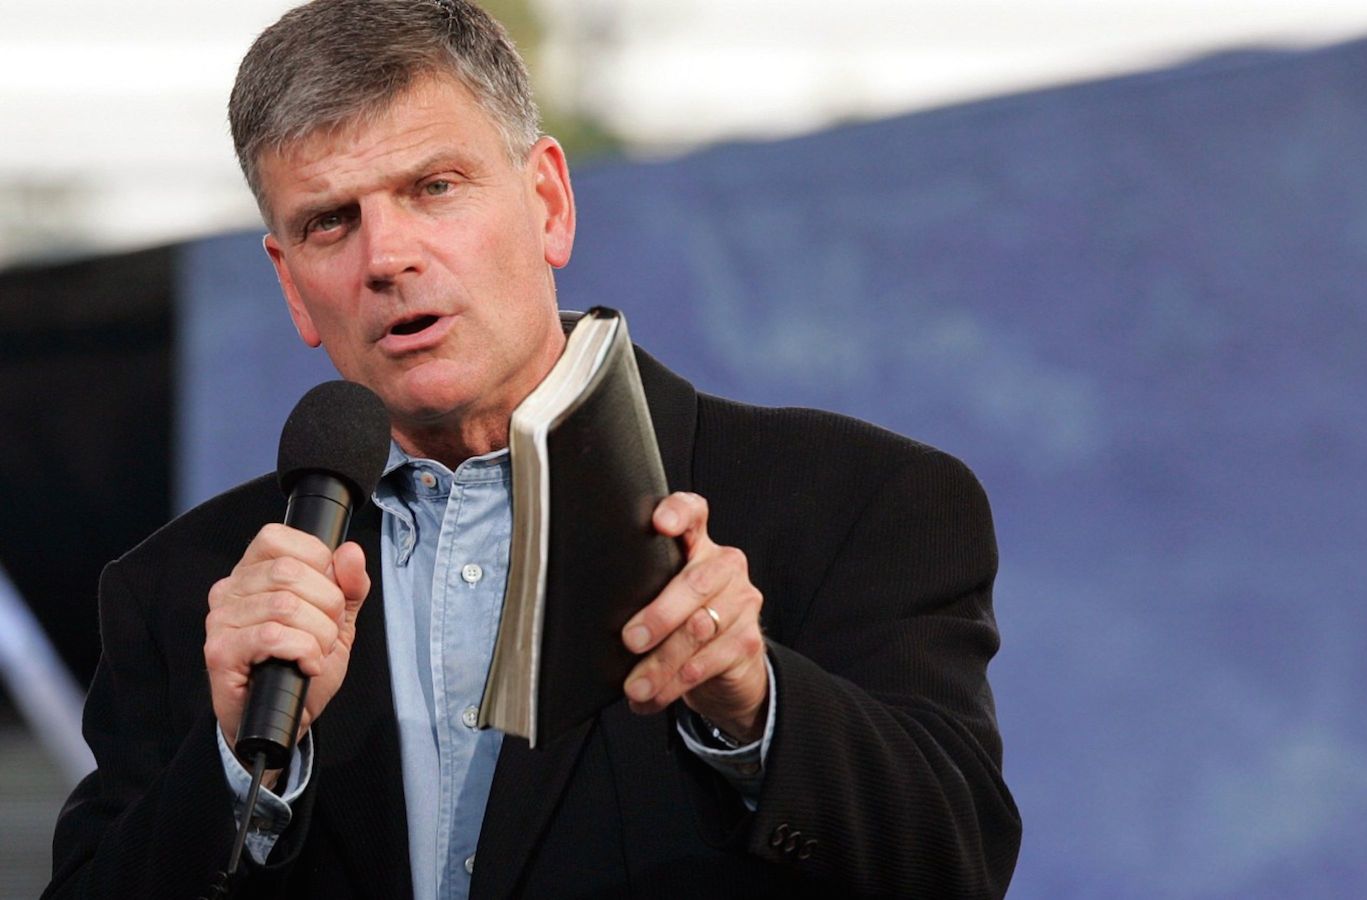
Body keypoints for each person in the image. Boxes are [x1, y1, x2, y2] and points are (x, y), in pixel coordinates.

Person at [46, 1, 1021, 896]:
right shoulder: (184, 594)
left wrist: (758, 704)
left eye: (434, 187)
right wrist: (233, 765)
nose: (387, 257)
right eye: (330, 222)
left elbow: (956, 863)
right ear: (292, 285)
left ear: (549, 201)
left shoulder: (858, 502)